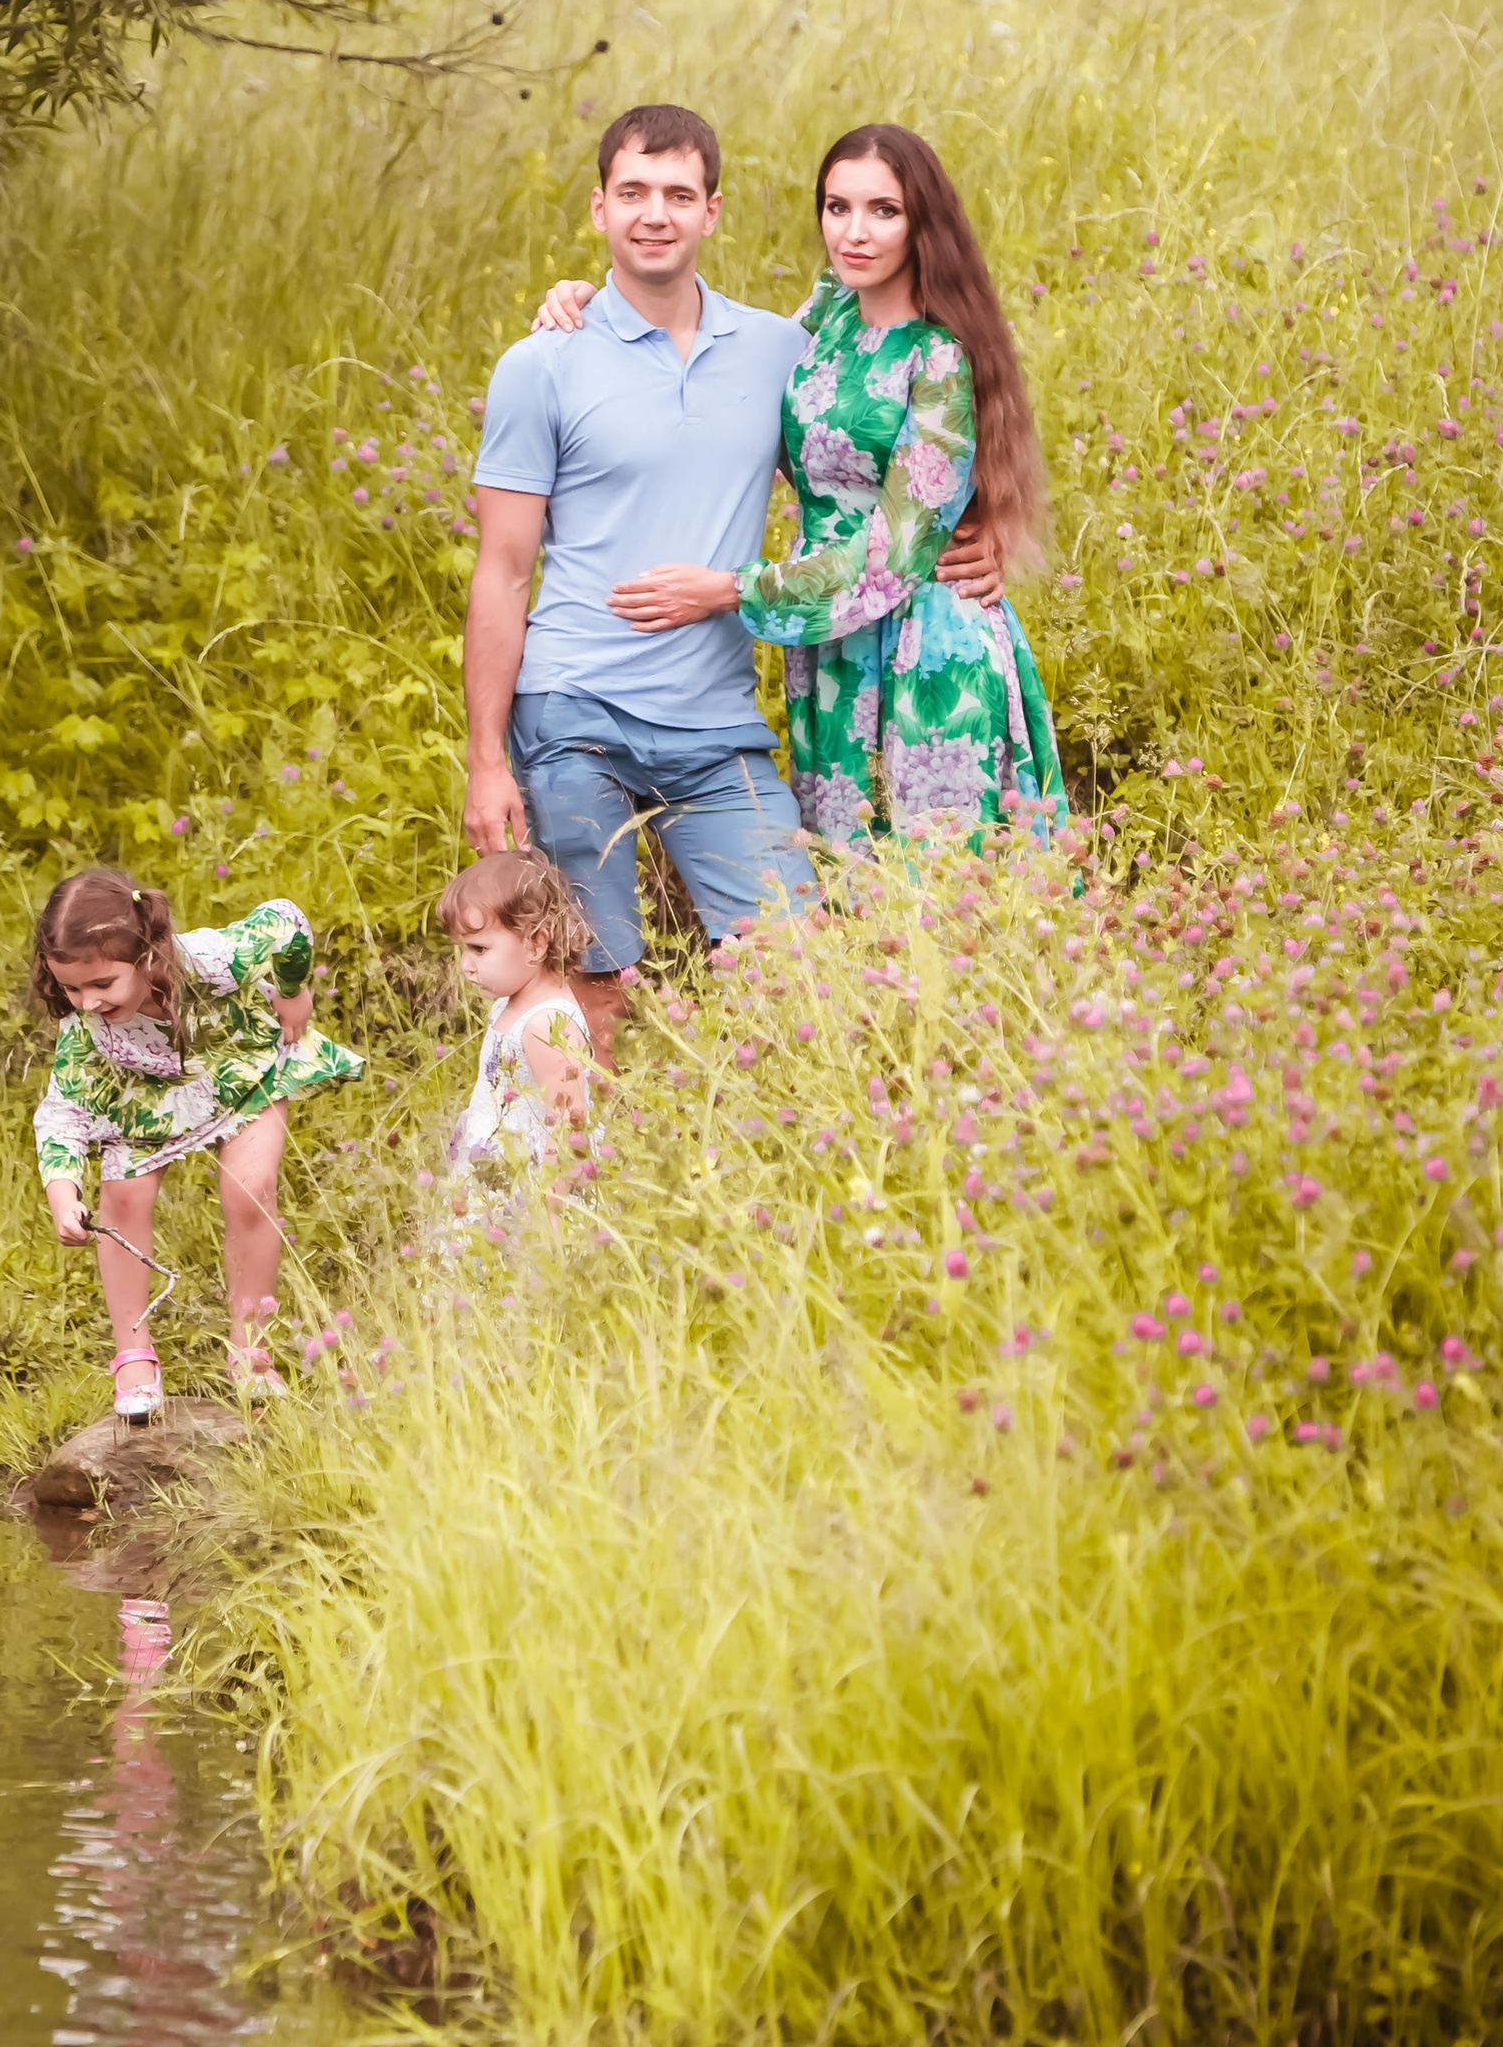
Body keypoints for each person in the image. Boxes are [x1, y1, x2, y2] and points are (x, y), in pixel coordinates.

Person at [466, 102, 1002, 1058]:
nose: (655, 215)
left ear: (715, 211)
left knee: (799, 967)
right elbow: (502, 573)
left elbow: (870, 440)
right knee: (593, 981)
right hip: (572, 705)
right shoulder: (541, 361)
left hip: (716, 726)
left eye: (678, 195)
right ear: (599, 210)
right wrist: (485, 761)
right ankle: (589, 1186)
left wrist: (976, 530)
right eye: (632, 193)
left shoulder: (779, 349)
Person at [536, 120, 1064, 851]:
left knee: (939, 890)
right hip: (830, 651)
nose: (855, 231)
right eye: (836, 206)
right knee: (850, 889)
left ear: (923, 224)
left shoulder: (940, 359)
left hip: (925, 646)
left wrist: (727, 591)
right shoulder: (830, 317)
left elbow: (891, 558)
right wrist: (591, 297)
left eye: (884, 210)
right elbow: (726, 376)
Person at [30, 869, 361, 1410]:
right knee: (122, 1199)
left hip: (238, 1071)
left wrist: (293, 992)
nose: (86, 1002)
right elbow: (62, 1112)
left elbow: (285, 921)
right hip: (142, 1100)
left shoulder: (213, 960)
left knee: (250, 1186)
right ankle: (134, 1358)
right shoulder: (85, 1030)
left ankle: (251, 1349)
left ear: (147, 956)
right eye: (71, 988)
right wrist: (63, 1194)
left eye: (102, 984)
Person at [432, 847, 598, 1227]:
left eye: (478, 949)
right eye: (462, 950)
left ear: (536, 944)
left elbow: (571, 1127)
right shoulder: (511, 1003)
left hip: (531, 1192)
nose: (465, 965)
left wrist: (548, 1219)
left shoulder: (546, 1023)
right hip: (497, 1175)